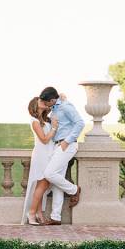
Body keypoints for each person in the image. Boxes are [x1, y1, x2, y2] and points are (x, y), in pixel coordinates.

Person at [38, 86, 83, 225]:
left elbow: (80, 123)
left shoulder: (65, 107)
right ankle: (56, 217)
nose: (45, 105)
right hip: (58, 145)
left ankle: (74, 190)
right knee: (57, 181)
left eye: (47, 103)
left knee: (49, 173)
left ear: (52, 100)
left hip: (67, 145)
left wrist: (67, 141)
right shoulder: (56, 108)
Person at [22, 97, 57, 225]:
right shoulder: (34, 121)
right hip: (41, 155)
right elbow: (44, 139)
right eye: (40, 100)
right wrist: (53, 128)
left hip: (49, 154)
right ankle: (31, 213)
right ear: (34, 105)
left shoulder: (46, 119)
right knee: (42, 184)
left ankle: (39, 213)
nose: (43, 101)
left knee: (43, 185)